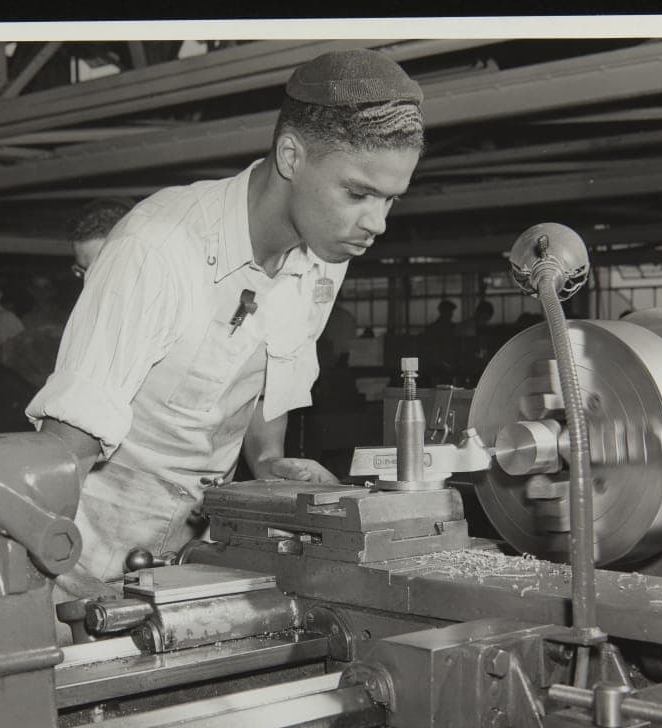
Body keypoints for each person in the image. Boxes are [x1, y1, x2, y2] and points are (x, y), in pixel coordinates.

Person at [26, 48, 424, 582]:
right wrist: (43, 576)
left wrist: (269, 464)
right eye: (358, 193)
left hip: (199, 550)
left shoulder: (325, 251)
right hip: (85, 548)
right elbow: (64, 442)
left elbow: (266, 374)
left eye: (392, 201)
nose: (376, 223)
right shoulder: (158, 249)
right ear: (291, 156)